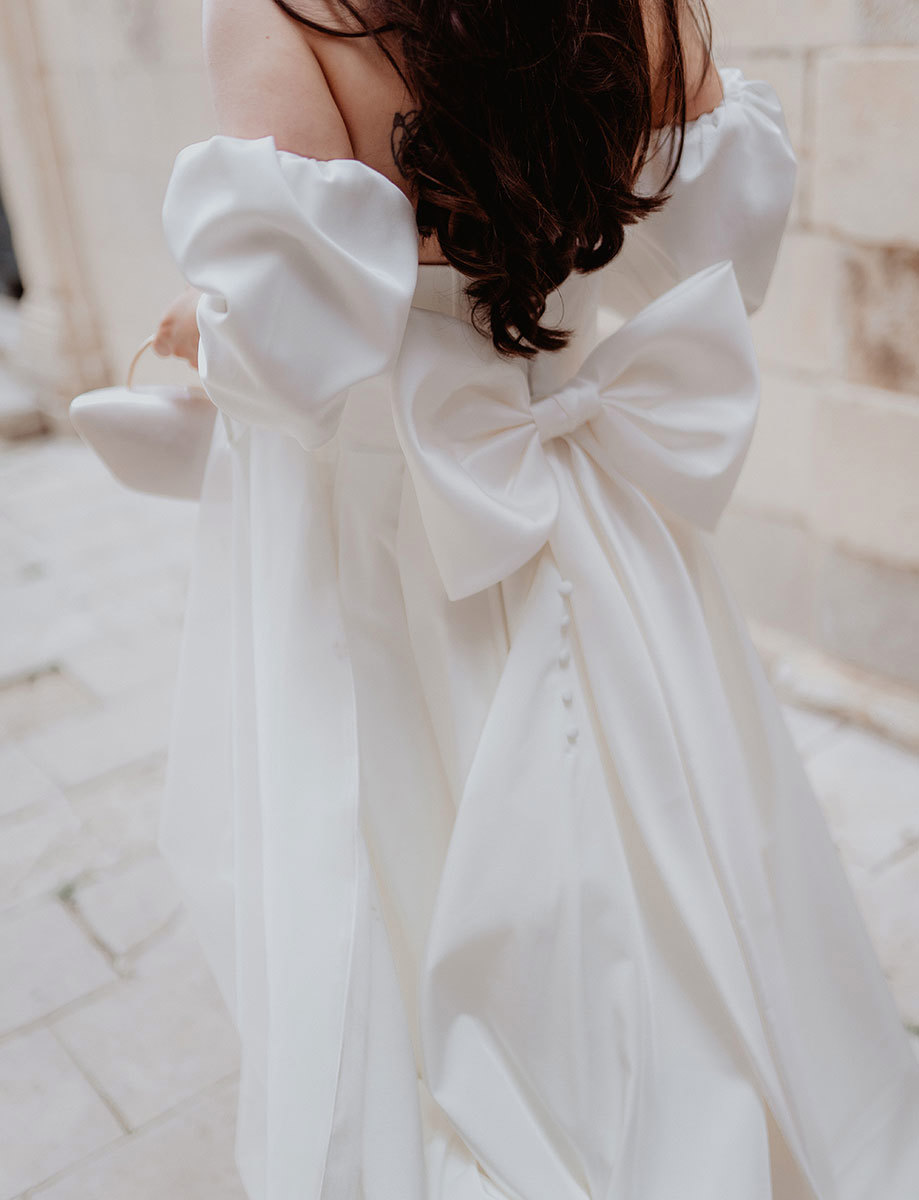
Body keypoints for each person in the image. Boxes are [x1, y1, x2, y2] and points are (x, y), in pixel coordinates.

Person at [154, 2, 919, 1198]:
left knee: (401, 859)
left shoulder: (281, 16)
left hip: (393, 543)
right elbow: (726, 224)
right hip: (599, 507)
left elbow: (295, 344)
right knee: (670, 826)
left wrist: (201, 328)